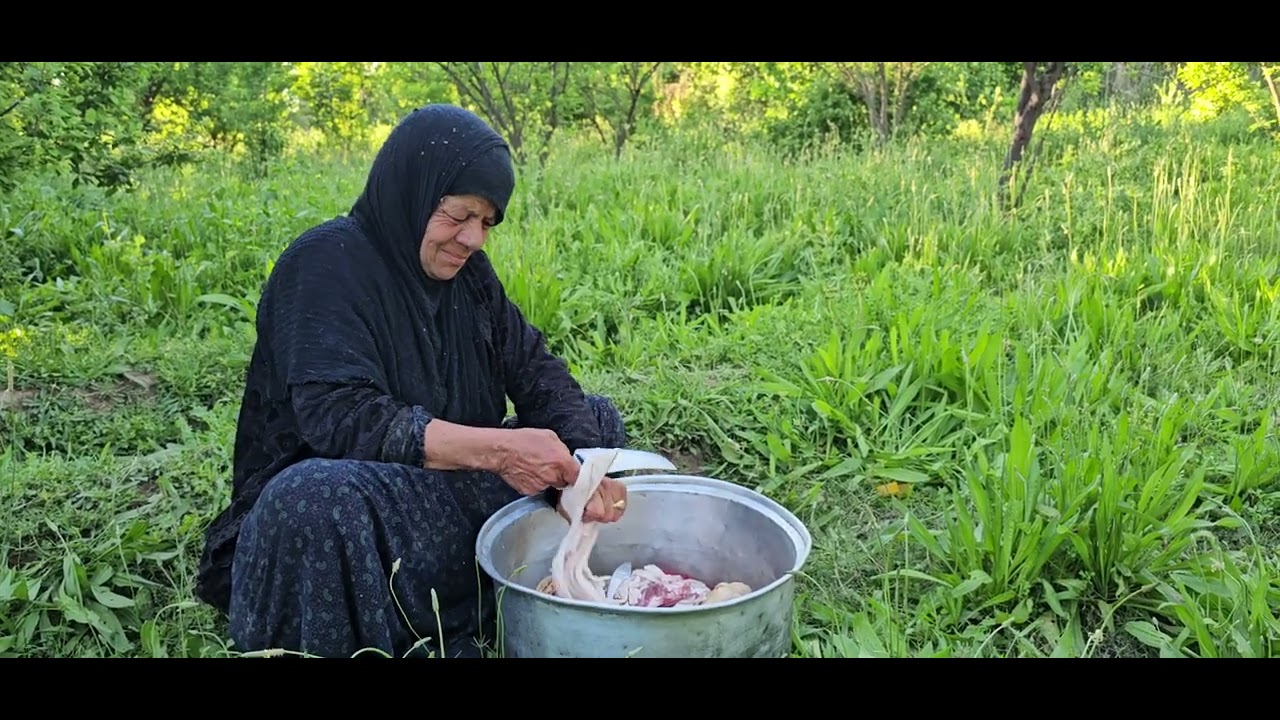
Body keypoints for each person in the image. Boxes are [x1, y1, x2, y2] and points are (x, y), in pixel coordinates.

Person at [194, 104, 631, 659]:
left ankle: (491, 587)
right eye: (459, 215)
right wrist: (500, 452)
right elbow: (342, 417)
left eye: (487, 223)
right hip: (359, 507)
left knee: (596, 423)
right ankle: (423, 607)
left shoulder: (470, 277)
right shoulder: (325, 263)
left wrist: (585, 470)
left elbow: (533, 369)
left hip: (438, 491)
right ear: (413, 194)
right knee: (310, 501)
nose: (472, 238)